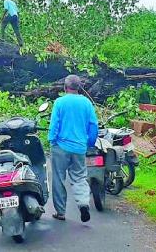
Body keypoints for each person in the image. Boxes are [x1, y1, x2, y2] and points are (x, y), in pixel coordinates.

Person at [48, 74, 98, 223]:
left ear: (65, 87)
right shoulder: (87, 103)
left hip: (61, 147)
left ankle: (61, 212)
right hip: (79, 148)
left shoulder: (60, 102)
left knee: (58, 178)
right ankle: (83, 204)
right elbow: (93, 125)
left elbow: (54, 125)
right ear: (79, 88)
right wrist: (89, 142)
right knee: (80, 177)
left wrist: (52, 140)